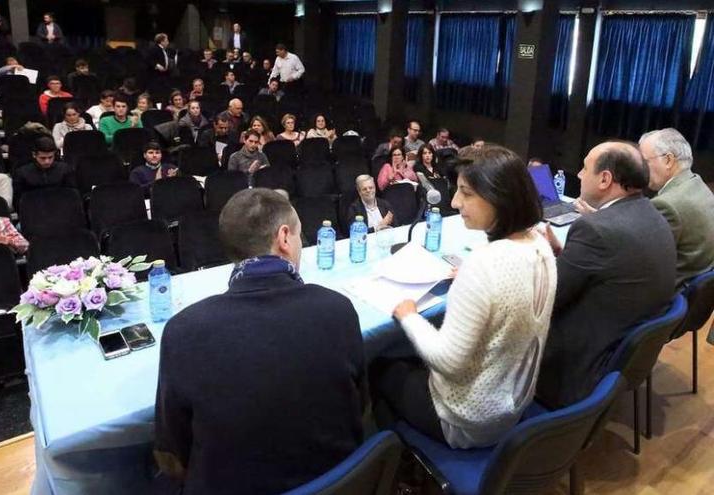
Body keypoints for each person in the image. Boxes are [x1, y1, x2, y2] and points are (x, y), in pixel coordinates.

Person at [154, 187, 365, 494]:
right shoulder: (337, 308)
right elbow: (358, 406)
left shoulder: (183, 330)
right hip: (342, 482)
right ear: (283, 238)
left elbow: (173, 448)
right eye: (298, 236)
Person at [374, 145, 556, 449]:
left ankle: (396, 463)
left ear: (500, 196)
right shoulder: (540, 244)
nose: (456, 202)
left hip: (469, 421)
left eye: (467, 193)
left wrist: (408, 314)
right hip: (512, 403)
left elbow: (447, 361)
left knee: (379, 363)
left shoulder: (484, 264)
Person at [536, 141, 676, 408]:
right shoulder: (653, 215)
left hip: (572, 367)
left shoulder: (596, 229)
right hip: (617, 358)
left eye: (584, 167)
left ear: (604, 179)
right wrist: (562, 254)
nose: (578, 174)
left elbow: (545, 299)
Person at [639, 128, 714, 286]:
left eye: (645, 162)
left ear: (668, 160)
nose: (641, 170)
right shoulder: (697, 183)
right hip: (696, 278)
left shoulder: (666, 204)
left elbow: (641, 257)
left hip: (669, 289)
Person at [11, 137, 76, 209]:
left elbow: (72, 196)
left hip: (61, 208)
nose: (47, 161)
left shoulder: (65, 170)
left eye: (50, 157)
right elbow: (19, 201)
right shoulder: (22, 173)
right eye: (43, 158)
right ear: (34, 155)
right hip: (33, 210)